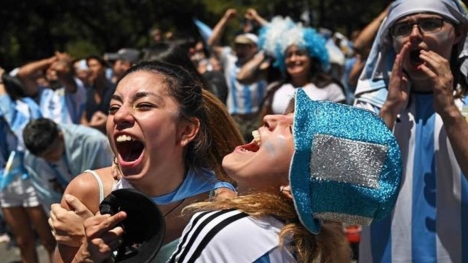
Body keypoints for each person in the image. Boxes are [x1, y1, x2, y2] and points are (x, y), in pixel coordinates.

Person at [84, 88, 403, 262]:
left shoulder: (225, 227)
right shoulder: (298, 244)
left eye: (292, 128)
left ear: (294, 188)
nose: (269, 118)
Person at [49, 61, 244, 263]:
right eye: (114, 107)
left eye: (144, 105)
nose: (120, 116)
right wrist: (85, 255)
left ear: (186, 130)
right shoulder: (86, 194)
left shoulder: (221, 205)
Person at [353, 0, 468, 262]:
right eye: (403, 28)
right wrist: (390, 110)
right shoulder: (370, 105)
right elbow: (354, 187)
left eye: (430, 24)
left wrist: (449, 111)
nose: (415, 35)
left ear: (458, 33)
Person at [0, 69, 56, 263]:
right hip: (5, 182)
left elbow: (22, 134)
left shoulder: (27, 106)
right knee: (23, 241)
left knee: (48, 240)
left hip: (30, 177)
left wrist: (4, 97)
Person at [253, 17, 346, 118]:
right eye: (288, 55)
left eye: (299, 53)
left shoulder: (331, 89)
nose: (293, 59)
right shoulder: (274, 89)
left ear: (312, 57)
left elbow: (342, 126)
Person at [22, 117, 113, 208]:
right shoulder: (32, 157)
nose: (48, 160)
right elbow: (47, 197)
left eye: (50, 153)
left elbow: (104, 186)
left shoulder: (93, 142)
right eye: (42, 157)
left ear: (60, 136)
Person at [208, 8, 268, 141]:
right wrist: (225, 19)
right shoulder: (230, 60)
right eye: (238, 46)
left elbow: (276, 37)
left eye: (245, 46)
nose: (240, 50)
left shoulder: (262, 61)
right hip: (236, 121)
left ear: (254, 48)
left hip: (258, 121)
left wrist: (257, 18)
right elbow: (212, 43)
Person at [15, 52, 87, 125]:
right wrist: (48, 61)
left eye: (55, 70)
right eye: (50, 69)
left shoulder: (76, 87)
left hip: (67, 134)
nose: (53, 71)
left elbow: (61, 69)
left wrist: (64, 60)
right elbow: (22, 73)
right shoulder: (42, 91)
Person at [81, 55, 115, 133]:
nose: (90, 69)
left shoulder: (115, 90)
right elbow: (83, 115)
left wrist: (107, 121)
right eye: (88, 66)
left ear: (104, 68)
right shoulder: (87, 91)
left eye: (94, 66)